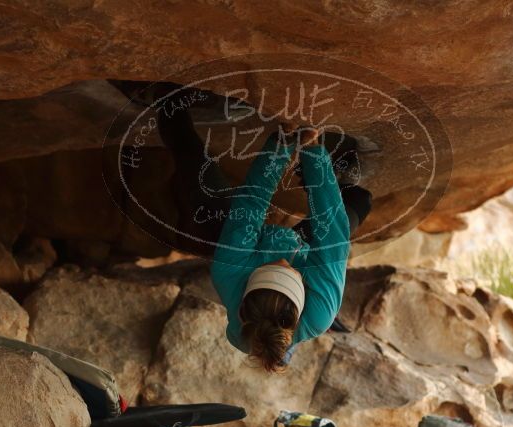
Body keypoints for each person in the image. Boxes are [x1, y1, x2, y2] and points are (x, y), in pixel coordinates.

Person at [149, 83, 372, 371]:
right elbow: (333, 232)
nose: (281, 262)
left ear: (246, 293)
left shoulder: (229, 271)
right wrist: (313, 151)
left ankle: (167, 103)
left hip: (239, 244)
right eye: (289, 273)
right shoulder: (320, 312)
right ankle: (315, 171)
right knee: (358, 201)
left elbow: (252, 202)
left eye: (273, 268)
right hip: (298, 247)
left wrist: (282, 143)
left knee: (195, 164)